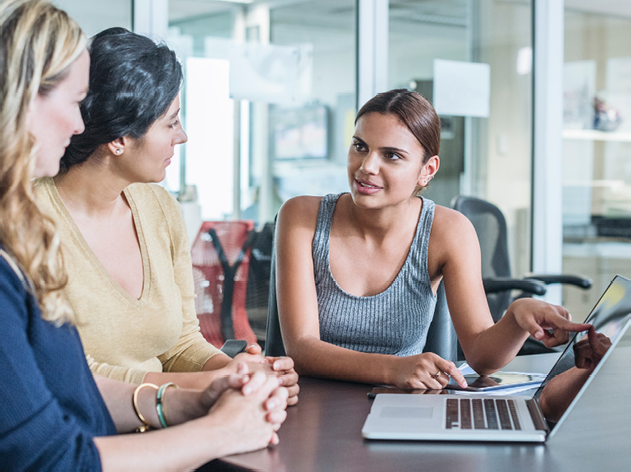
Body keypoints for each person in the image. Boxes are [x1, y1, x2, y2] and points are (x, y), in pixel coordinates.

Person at [0, 1, 287, 469]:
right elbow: (50, 452)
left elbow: (72, 383)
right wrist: (216, 424)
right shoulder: (18, 230)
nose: (79, 126)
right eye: (75, 102)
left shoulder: (155, 208)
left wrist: (210, 389)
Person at [34, 27, 299, 403]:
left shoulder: (159, 208)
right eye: (171, 122)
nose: (183, 136)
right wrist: (212, 386)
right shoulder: (25, 219)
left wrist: (236, 370)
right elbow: (74, 374)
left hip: (170, 415)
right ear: (119, 139)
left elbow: (181, 344)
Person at [276, 88, 591, 389]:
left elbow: (481, 358)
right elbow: (302, 350)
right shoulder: (301, 216)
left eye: (391, 155)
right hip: (309, 406)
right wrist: (394, 368)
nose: (367, 166)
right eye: (360, 146)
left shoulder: (449, 231)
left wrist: (517, 318)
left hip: (401, 407)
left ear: (427, 170)